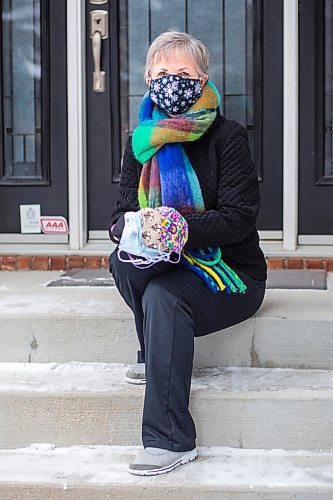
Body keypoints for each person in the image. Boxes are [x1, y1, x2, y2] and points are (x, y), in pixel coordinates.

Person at [108, 30, 267, 476]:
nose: (171, 80)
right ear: (146, 79)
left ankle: (170, 439)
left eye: (183, 73)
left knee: (164, 296)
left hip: (229, 273)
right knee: (124, 259)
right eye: (162, 72)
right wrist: (131, 228)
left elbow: (238, 219)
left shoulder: (228, 137)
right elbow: (120, 213)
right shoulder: (142, 141)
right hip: (164, 261)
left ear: (202, 80)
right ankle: (153, 348)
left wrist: (178, 228)